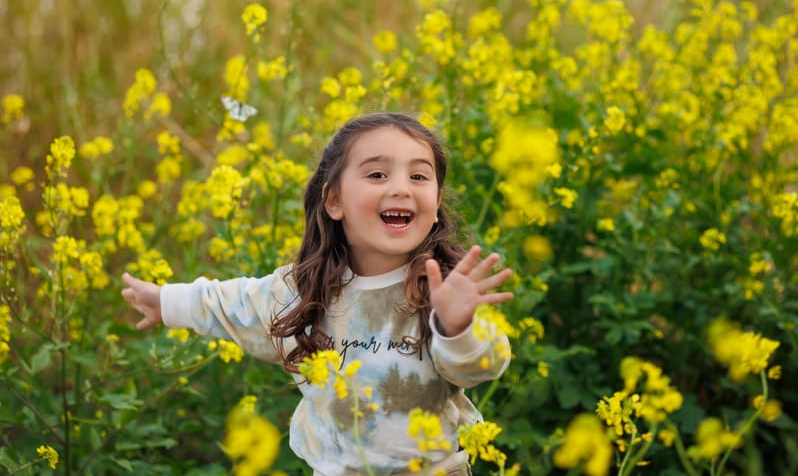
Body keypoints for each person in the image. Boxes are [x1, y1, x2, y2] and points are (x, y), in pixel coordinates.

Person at [121, 112, 514, 476]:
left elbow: (481, 368)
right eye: (377, 175)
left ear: (437, 201)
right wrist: (166, 302)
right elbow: (233, 304)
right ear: (334, 201)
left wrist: (455, 326)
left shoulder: (444, 290)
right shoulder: (302, 289)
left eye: (419, 177)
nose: (400, 188)